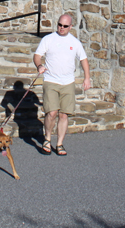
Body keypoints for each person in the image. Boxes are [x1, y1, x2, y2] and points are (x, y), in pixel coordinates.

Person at [33, 13, 90, 156]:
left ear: (70, 27)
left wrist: (87, 78)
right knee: (52, 113)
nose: (62, 28)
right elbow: (37, 56)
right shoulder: (48, 39)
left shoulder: (75, 42)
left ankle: (59, 143)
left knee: (64, 115)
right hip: (51, 80)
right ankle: (47, 139)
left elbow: (83, 59)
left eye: (65, 26)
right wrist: (39, 65)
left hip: (68, 82)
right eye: (60, 25)